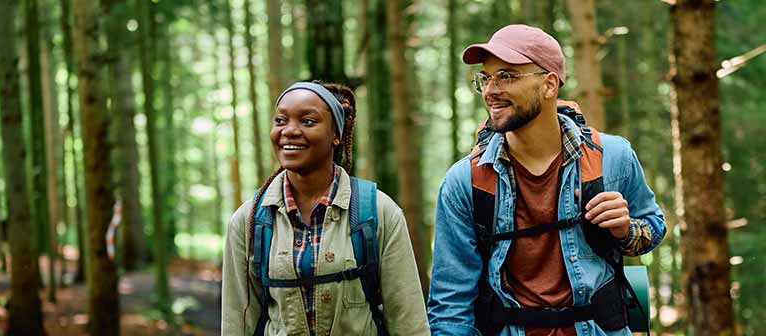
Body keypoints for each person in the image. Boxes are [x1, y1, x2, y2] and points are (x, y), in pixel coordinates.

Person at [427, 24, 666, 336]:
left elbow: (653, 227)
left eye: (506, 76)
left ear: (549, 85)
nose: (490, 90)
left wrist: (625, 229)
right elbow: (451, 308)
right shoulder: (466, 181)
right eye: (485, 78)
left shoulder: (613, 157)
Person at [222, 81, 429, 336]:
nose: (289, 131)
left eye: (308, 121)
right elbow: (236, 322)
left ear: (336, 135)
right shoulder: (250, 220)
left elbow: (409, 321)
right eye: (280, 121)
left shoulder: (377, 211)